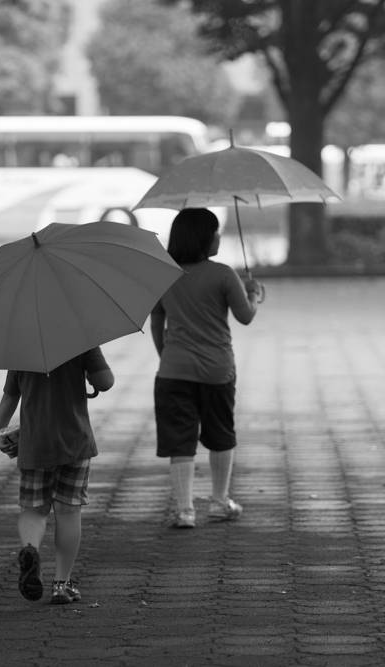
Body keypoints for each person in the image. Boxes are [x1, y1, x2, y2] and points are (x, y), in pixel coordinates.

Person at [150, 208, 261, 529]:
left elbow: (157, 322)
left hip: (173, 370)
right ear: (203, 237)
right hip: (217, 370)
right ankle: (219, 502)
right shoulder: (224, 274)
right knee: (220, 434)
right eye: (215, 232)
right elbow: (246, 317)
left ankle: (185, 510)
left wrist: (166, 355)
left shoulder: (164, 274)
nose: (219, 237)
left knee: (179, 439)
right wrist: (252, 294)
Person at [0, 348, 115, 603]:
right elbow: (106, 381)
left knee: (34, 509)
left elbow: (9, 396)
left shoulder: (21, 349)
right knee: (69, 511)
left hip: (34, 444)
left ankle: (31, 549)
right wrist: (88, 374)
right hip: (74, 443)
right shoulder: (82, 343)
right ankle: (62, 584)